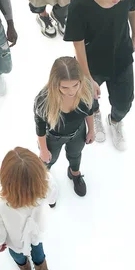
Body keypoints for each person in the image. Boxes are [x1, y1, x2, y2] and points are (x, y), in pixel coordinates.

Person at [64, 0, 135, 151]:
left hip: (121, 54)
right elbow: (78, 43)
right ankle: (96, 113)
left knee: (124, 102)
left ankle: (115, 121)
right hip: (92, 61)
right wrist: (88, 77)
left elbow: (134, 10)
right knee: (90, 99)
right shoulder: (79, 5)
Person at [0, 147, 57, 270]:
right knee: (38, 248)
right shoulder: (46, 182)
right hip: (37, 229)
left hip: (16, 240)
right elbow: (52, 196)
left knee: (17, 254)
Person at [34, 57, 95, 199]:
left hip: (78, 132)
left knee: (75, 155)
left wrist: (91, 129)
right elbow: (40, 125)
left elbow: (90, 109)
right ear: (56, 84)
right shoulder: (44, 100)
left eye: (75, 85)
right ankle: (41, 179)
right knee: (47, 161)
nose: (71, 91)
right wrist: (43, 149)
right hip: (54, 137)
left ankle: (74, 173)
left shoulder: (86, 87)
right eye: (65, 87)